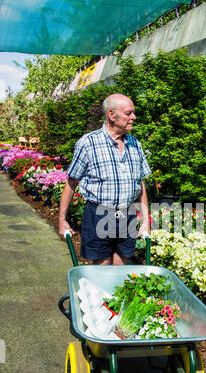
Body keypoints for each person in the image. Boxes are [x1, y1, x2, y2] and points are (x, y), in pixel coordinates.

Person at [58, 93, 151, 265]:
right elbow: (71, 183)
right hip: (99, 214)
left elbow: (140, 184)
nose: (133, 117)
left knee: (121, 268)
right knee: (102, 269)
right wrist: (62, 220)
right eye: (128, 113)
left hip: (127, 215)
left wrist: (146, 221)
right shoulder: (88, 143)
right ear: (111, 115)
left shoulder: (135, 144)